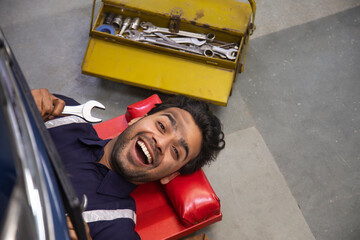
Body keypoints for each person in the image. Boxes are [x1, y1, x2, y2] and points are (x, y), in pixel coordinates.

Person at [31, 88, 225, 240]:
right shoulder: (65, 114)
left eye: (175, 151)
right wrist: (17, 103)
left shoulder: (117, 228)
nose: (160, 143)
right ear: (138, 119)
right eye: (162, 126)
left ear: (170, 175)